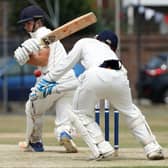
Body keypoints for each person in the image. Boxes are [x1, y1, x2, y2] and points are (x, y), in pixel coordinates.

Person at [27, 29, 164, 161]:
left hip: (94, 76)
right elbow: (83, 82)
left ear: (97, 38)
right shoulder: (112, 55)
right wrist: (54, 88)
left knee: (80, 113)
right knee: (131, 113)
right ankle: (152, 147)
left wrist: (45, 83)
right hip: (120, 76)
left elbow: (65, 66)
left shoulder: (85, 42)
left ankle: (102, 146)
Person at [14, 5, 79, 153]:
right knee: (64, 114)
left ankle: (35, 142)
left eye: (28, 23)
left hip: (51, 80)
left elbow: (43, 60)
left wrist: (26, 59)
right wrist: (28, 56)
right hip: (69, 80)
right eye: (24, 24)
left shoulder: (43, 34)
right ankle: (65, 133)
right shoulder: (47, 35)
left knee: (31, 108)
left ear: (38, 21)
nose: (26, 26)